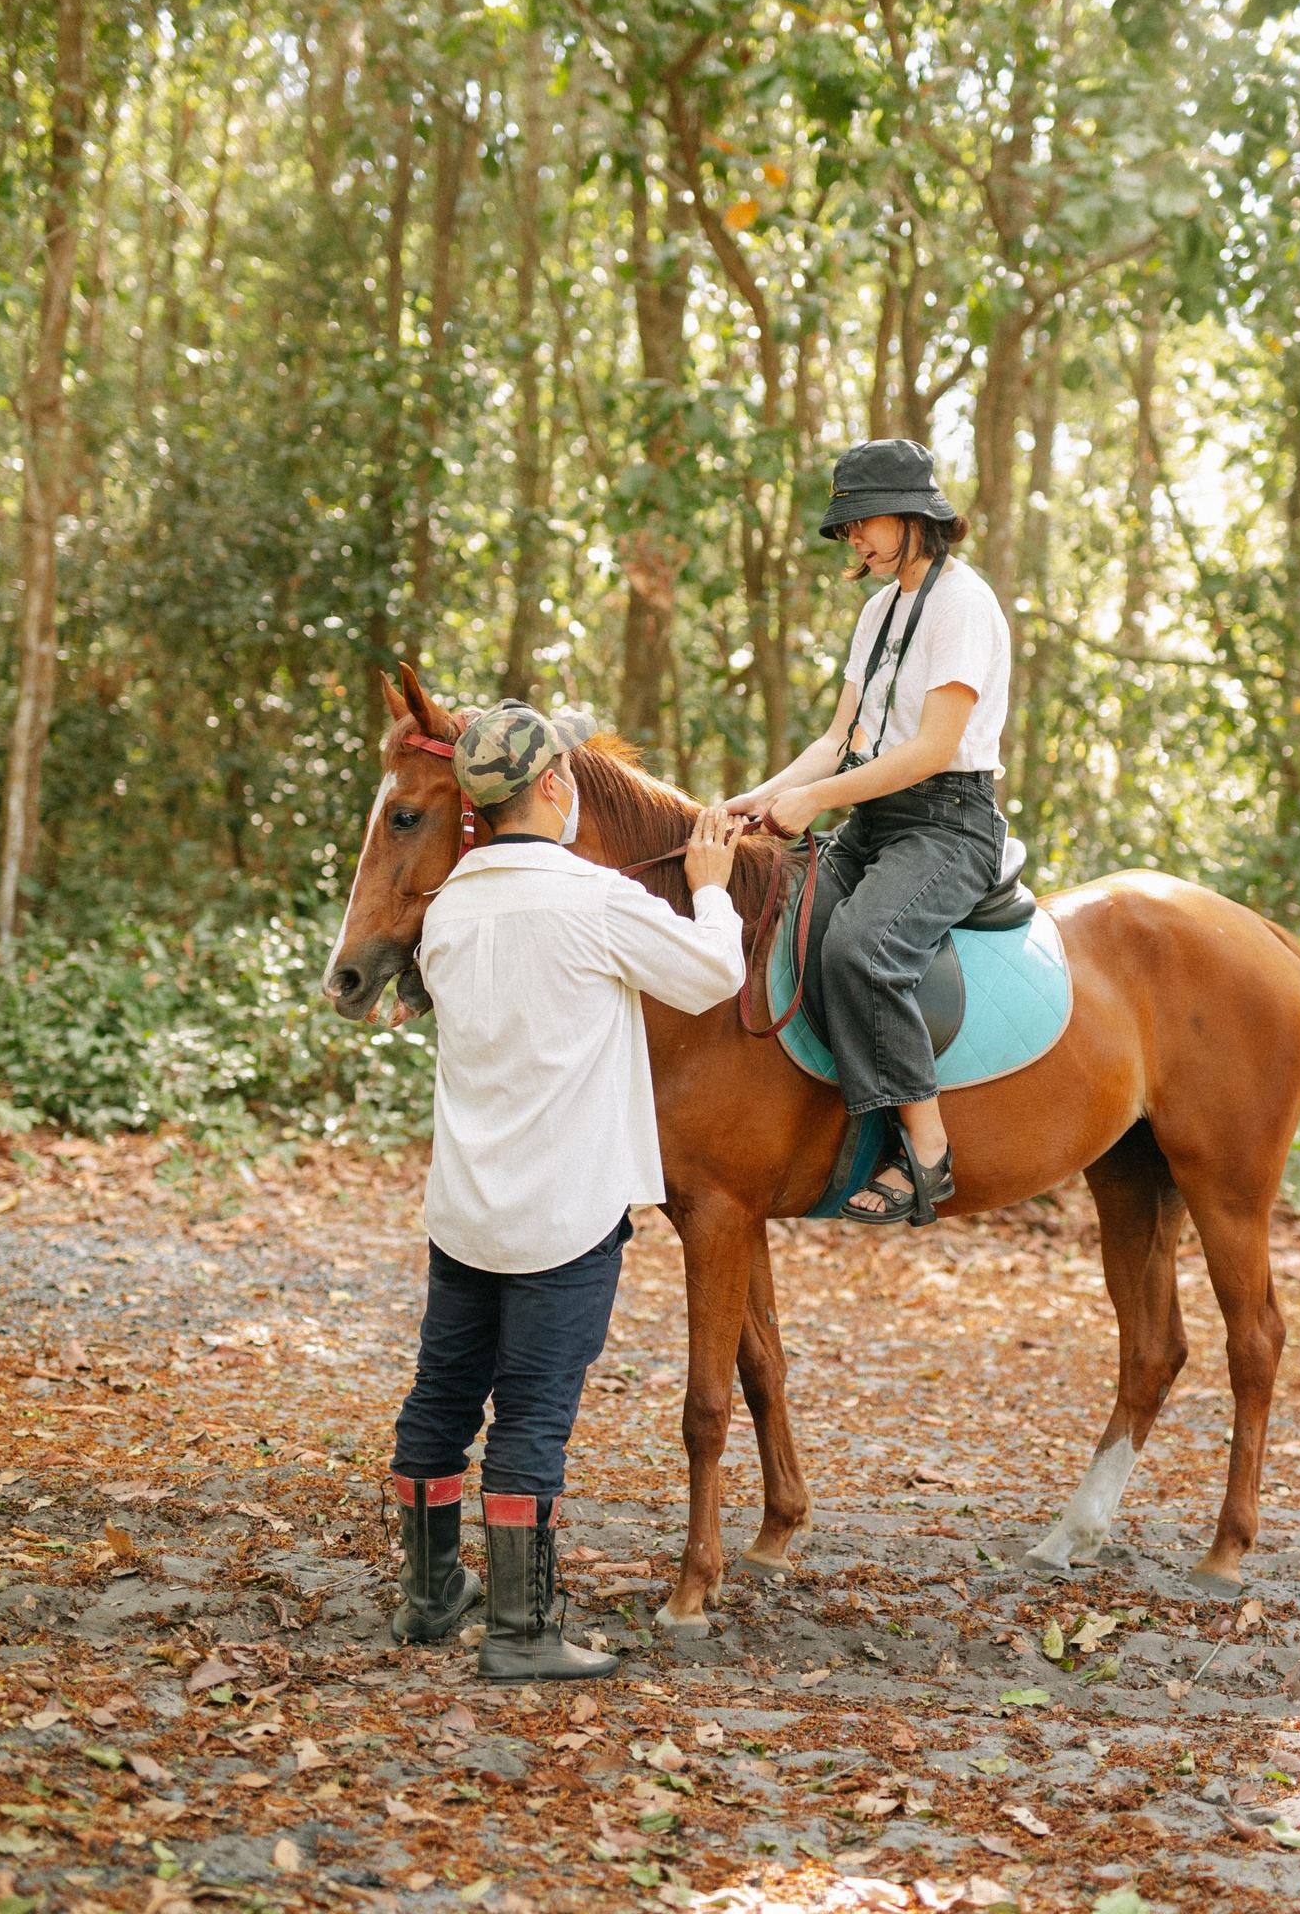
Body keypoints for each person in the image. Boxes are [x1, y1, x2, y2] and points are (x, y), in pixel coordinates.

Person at [388, 699, 747, 1682]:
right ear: (558, 785)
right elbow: (713, 973)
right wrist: (709, 887)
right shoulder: (596, 901)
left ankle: (430, 1596)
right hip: (564, 1219)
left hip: (465, 1211)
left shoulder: (449, 906)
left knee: (439, 1407)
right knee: (532, 1423)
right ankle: (521, 1629)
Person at [727, 439, 1011, 1224]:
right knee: (780, 925)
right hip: (874, 816)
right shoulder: (878, 609)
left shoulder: (962, 604)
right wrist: (761, 797)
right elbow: (836, 735)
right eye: (845, 529)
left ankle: (927, 1148)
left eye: (863, 523)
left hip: (949, 824)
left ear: (915, 516)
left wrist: (814, 800)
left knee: (861, 945)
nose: (853, 540)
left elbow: (932, 749)